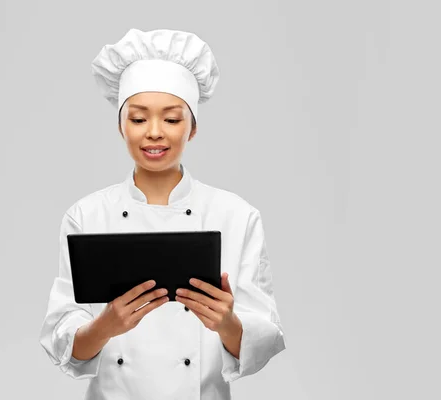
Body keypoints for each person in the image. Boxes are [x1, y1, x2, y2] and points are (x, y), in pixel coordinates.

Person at [39, 28, 286, 400]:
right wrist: (106, 326)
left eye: (171, 119)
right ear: (120, 126)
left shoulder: (236, 215)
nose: (154, 133)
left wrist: (226, 324)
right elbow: (64, 340)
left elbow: (264, 337)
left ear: (194, 128)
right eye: (138, 119)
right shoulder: (86, 215)